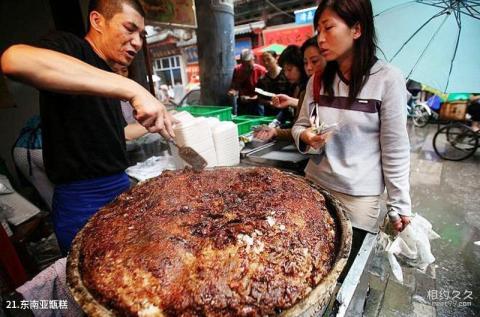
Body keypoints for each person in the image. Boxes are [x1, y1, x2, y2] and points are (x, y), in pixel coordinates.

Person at [1, 0, 175, 254]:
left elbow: (118, 135)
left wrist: (153, 124)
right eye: (129, 28)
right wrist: (134, 89)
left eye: (141, 35)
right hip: (81, 197)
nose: (137, 42)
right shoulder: (73, 49)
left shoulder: (109, 74)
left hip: (119, 186)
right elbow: (14, 60)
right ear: (97, 21)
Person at [292, 0, 412, 237]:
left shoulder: (387, 79)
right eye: (318, 30)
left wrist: (399, 203)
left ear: (356, 29)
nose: (321, 39)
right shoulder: (317, 80)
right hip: (313, 186)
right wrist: (305, 137)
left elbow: (395, 148)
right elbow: (300, 126)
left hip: (358, 199)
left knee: (347, 264)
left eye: (328, 28)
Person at [255, 37, 326, 141]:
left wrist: (276, 131)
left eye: (290, 69)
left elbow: (311, 127)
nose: (309, 68)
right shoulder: (293, 86)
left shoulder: (310, 87)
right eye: (306, 63)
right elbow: (295, 123)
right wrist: (275, 126)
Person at [12, 115, 54, 210]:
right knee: (72, 189)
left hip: (20, 150)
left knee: (49, 197)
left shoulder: (36, 116)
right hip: (42, 150)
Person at [228, 48, 266, 115]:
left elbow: (265, 91)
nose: (246, 68)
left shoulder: (261, 70)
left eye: (249, 65)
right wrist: (233, 92)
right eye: (244, 65)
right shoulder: (237, 70)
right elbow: (234, 86)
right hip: (242, 104)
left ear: (253, 60)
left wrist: (252, 98)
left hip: (257, 104)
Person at [255, 51, 290, 116]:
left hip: (287, 112)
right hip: (269, 115)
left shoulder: (286, 75)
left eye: (268, 59)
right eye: (264, 60)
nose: (266, 63)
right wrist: (270, 103)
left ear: (276, 58)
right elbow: (259, 99)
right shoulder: (262, 80)